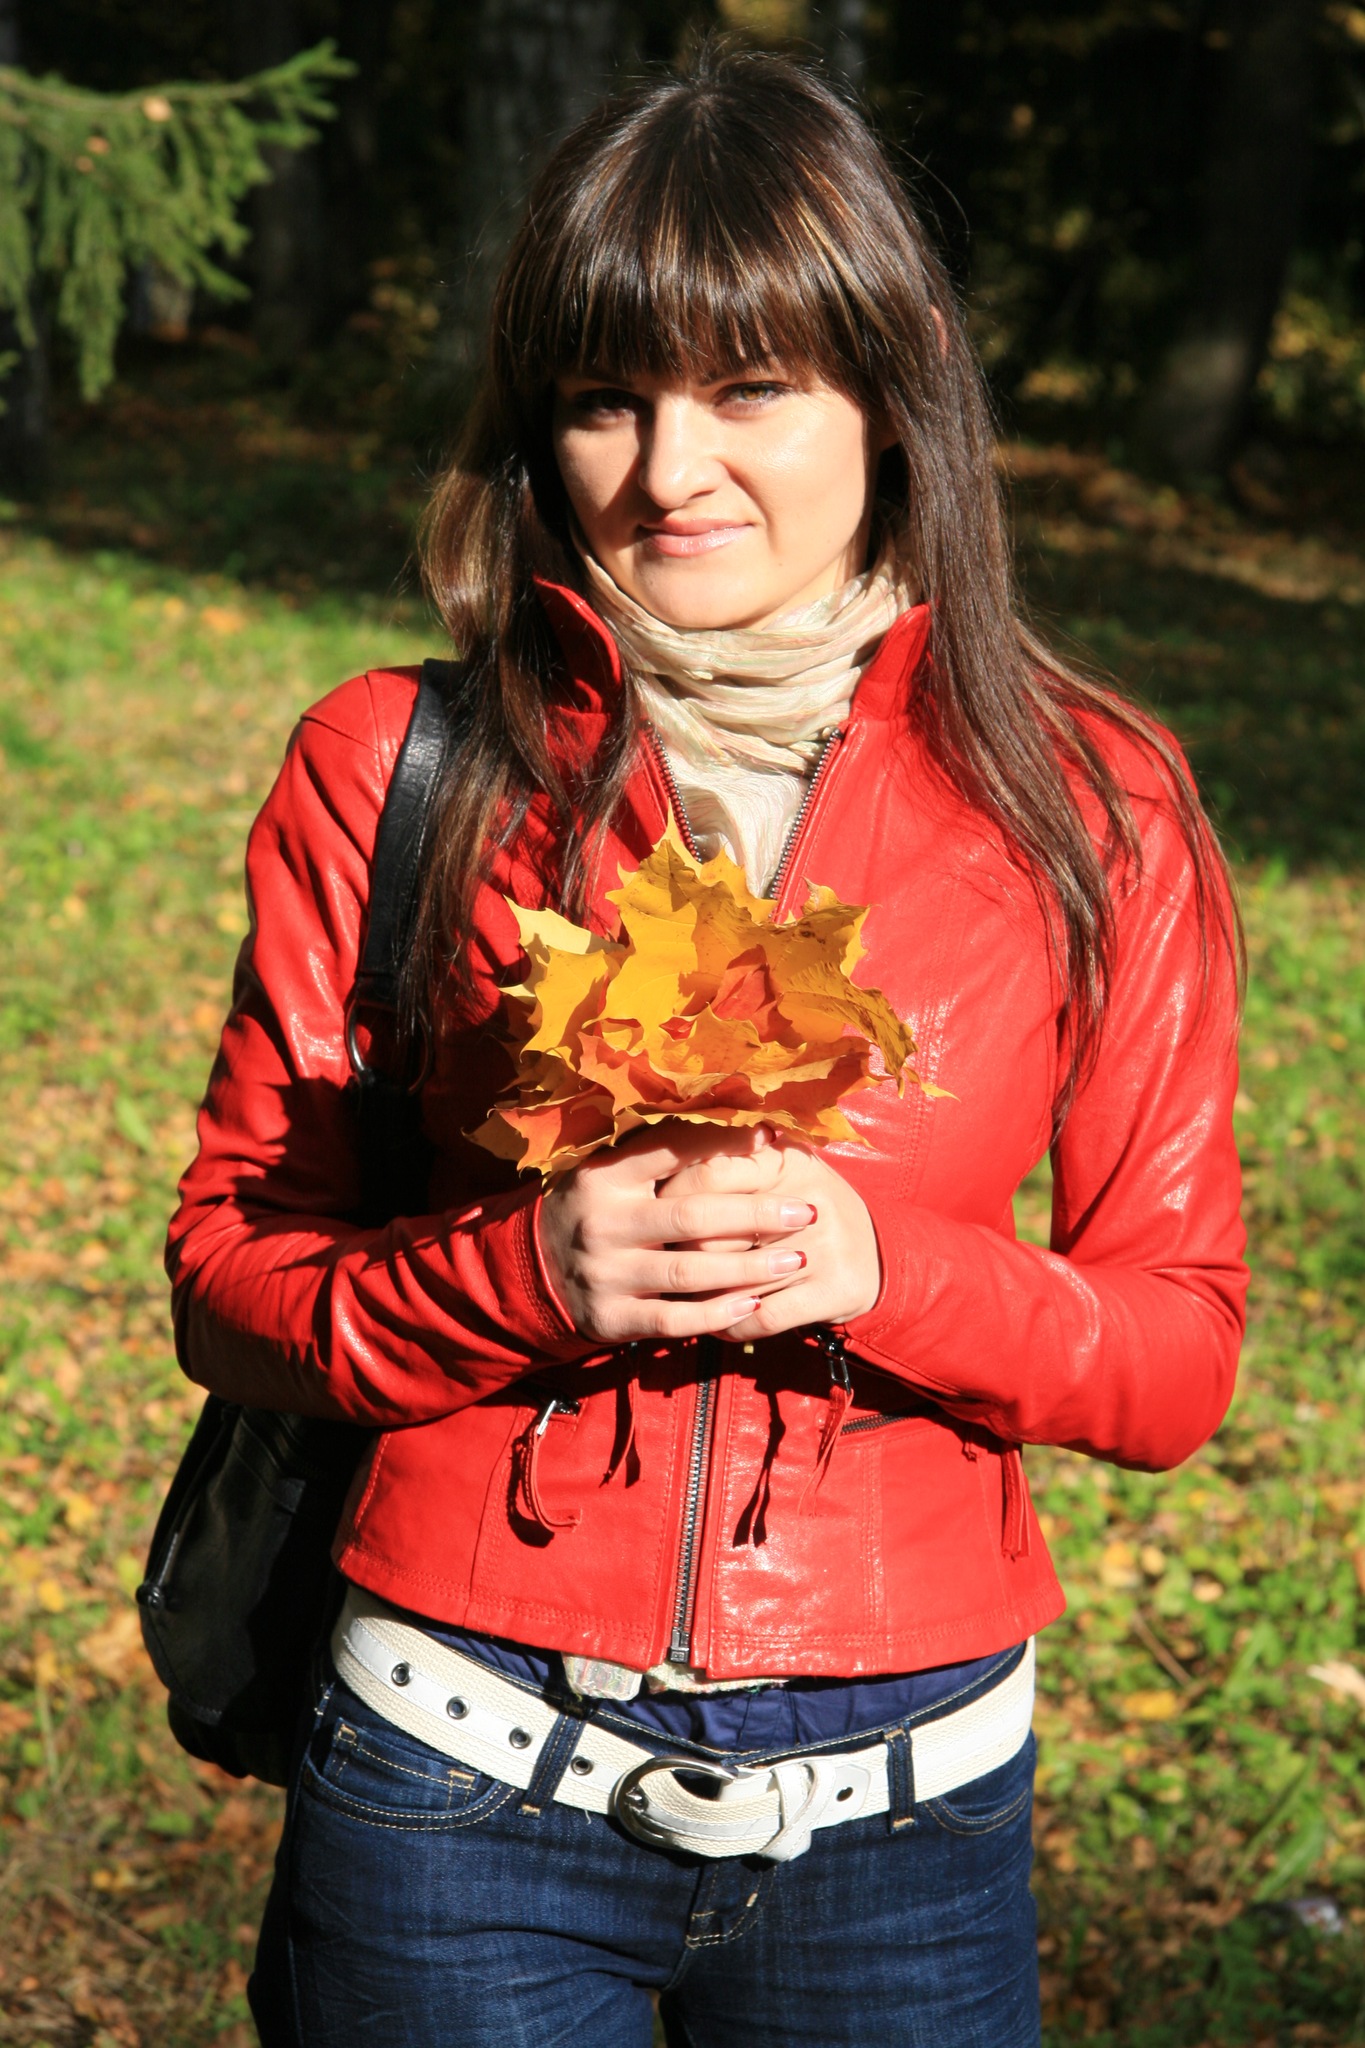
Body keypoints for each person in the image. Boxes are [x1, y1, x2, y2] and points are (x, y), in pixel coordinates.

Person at [165, 41, 1246, 2048]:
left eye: (749, 387)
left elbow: (1173, 1351)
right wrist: (520, 1271)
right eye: (604, 396)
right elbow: (233, 1281)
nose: (668, 470)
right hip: (454, 1785)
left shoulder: (1091, 804)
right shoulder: (394, 766)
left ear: (894, 382)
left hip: (907, 1821)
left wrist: (889, 1271)